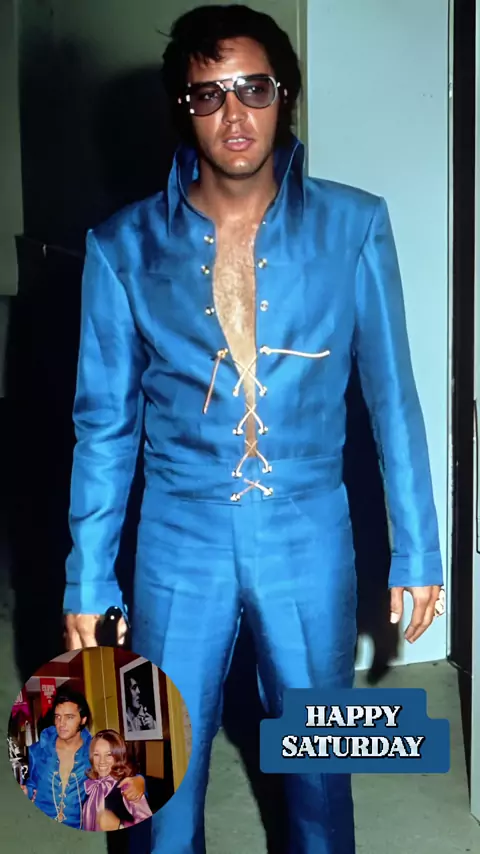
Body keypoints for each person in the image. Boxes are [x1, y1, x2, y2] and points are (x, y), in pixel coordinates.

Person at [63, 5, 444, 852]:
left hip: (310, 534)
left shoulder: (354, 225)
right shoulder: (122, 247)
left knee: (319, 773)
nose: (234, 115)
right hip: (175, 540)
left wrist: (419, 551)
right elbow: (104, 426)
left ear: (285, 96)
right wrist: (87, 576)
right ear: (184, 108)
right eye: (210, 95)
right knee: (152, 775)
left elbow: (394, 399)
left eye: (254, 90)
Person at [21, 687, 145, 829]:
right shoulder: (37, 750)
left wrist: (140, 781)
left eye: (69, 717)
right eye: (58, 716)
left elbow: (120, 771)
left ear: (83, 720)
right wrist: (27, 791)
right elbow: (32, 783)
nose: (61, 723)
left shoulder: (93, 750)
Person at [83, 729, 152, 831]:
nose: (102, 761)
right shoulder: (91, 785)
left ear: (118, 756)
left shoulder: (128, 786)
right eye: (97, 754)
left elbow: (148, 829)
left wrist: (119, 825)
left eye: (109, 755)